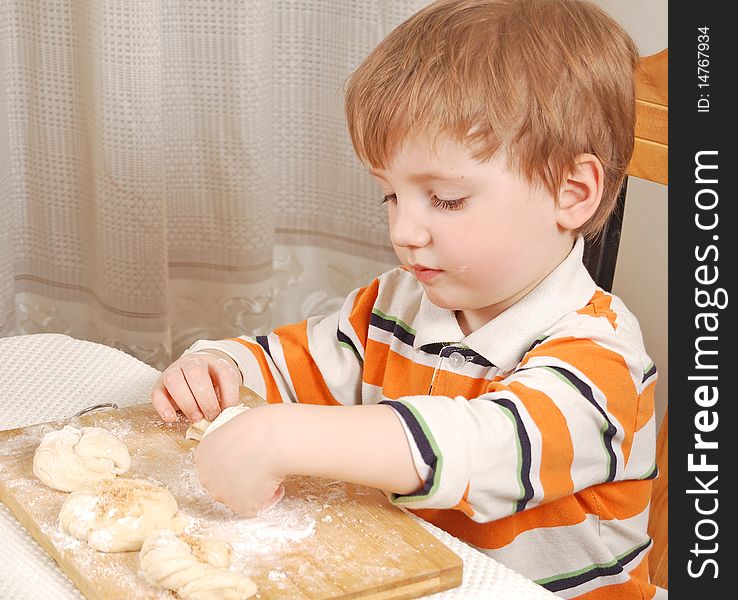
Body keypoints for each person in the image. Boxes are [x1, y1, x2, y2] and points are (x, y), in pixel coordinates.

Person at [150, 0, 658, 597]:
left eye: (444, 199)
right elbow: (291, 366)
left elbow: (487, 445)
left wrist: (282, 437)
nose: (403, 232)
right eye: (389, 196)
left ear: (572, 193)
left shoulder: (603, 357)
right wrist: (219, 369)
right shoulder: (396, 304)